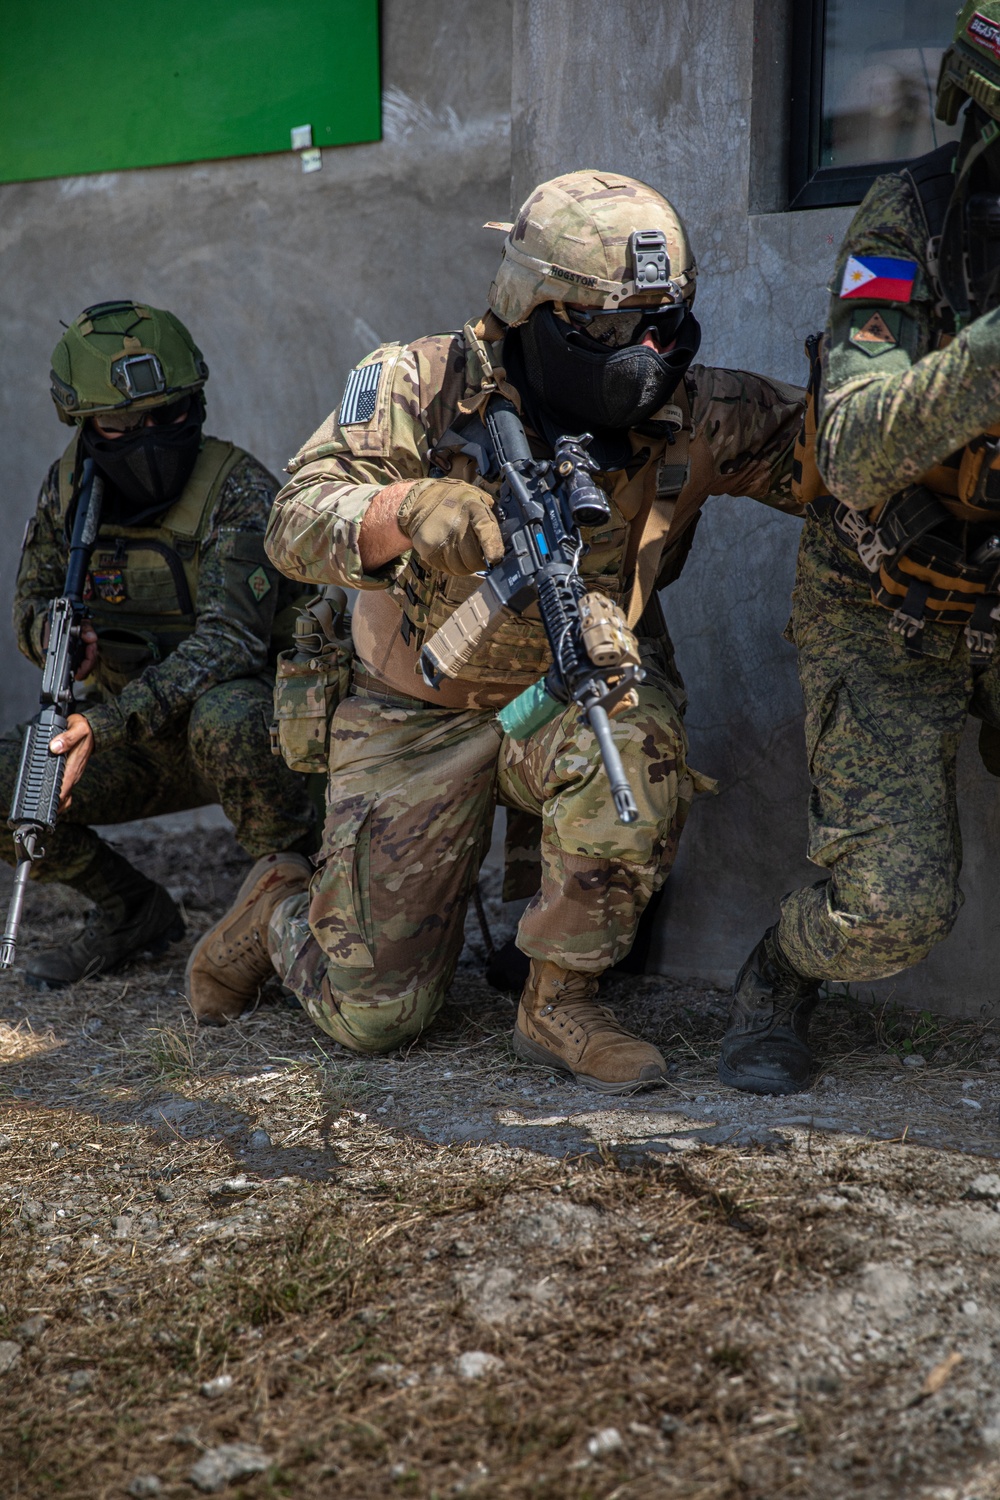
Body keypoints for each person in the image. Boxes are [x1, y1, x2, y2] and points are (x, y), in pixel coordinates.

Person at [187, 170, 804, 1093]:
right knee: (375, 1019)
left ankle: (558, 1004)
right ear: (533, 307)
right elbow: (293, 521)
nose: (643, 348)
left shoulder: (695, 409)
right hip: (414, 714)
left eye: (662, 321)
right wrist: (408, 507)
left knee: (634, 738)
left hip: (564, 699)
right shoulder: (416, 382)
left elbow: (835, 459)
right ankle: (278, 910)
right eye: (605, 325)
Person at [718, 0, 1000, 1095]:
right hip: (888, 606)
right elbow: (848, 447)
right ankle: (778, 976)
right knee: (888, 910)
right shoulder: (904, 223)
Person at [3, 300, 316, 987]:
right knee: (7, 779)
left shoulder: (237, 491)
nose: (146, 440)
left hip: (262, 742)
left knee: (228, 711)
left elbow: (230, 643)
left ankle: (299, 917)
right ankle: (131, 911)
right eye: (120, 426)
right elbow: (30, 600)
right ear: (86, 424)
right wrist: (53, 636)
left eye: (168, 417)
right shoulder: (67, 491)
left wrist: (102, 724)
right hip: (134, 742)